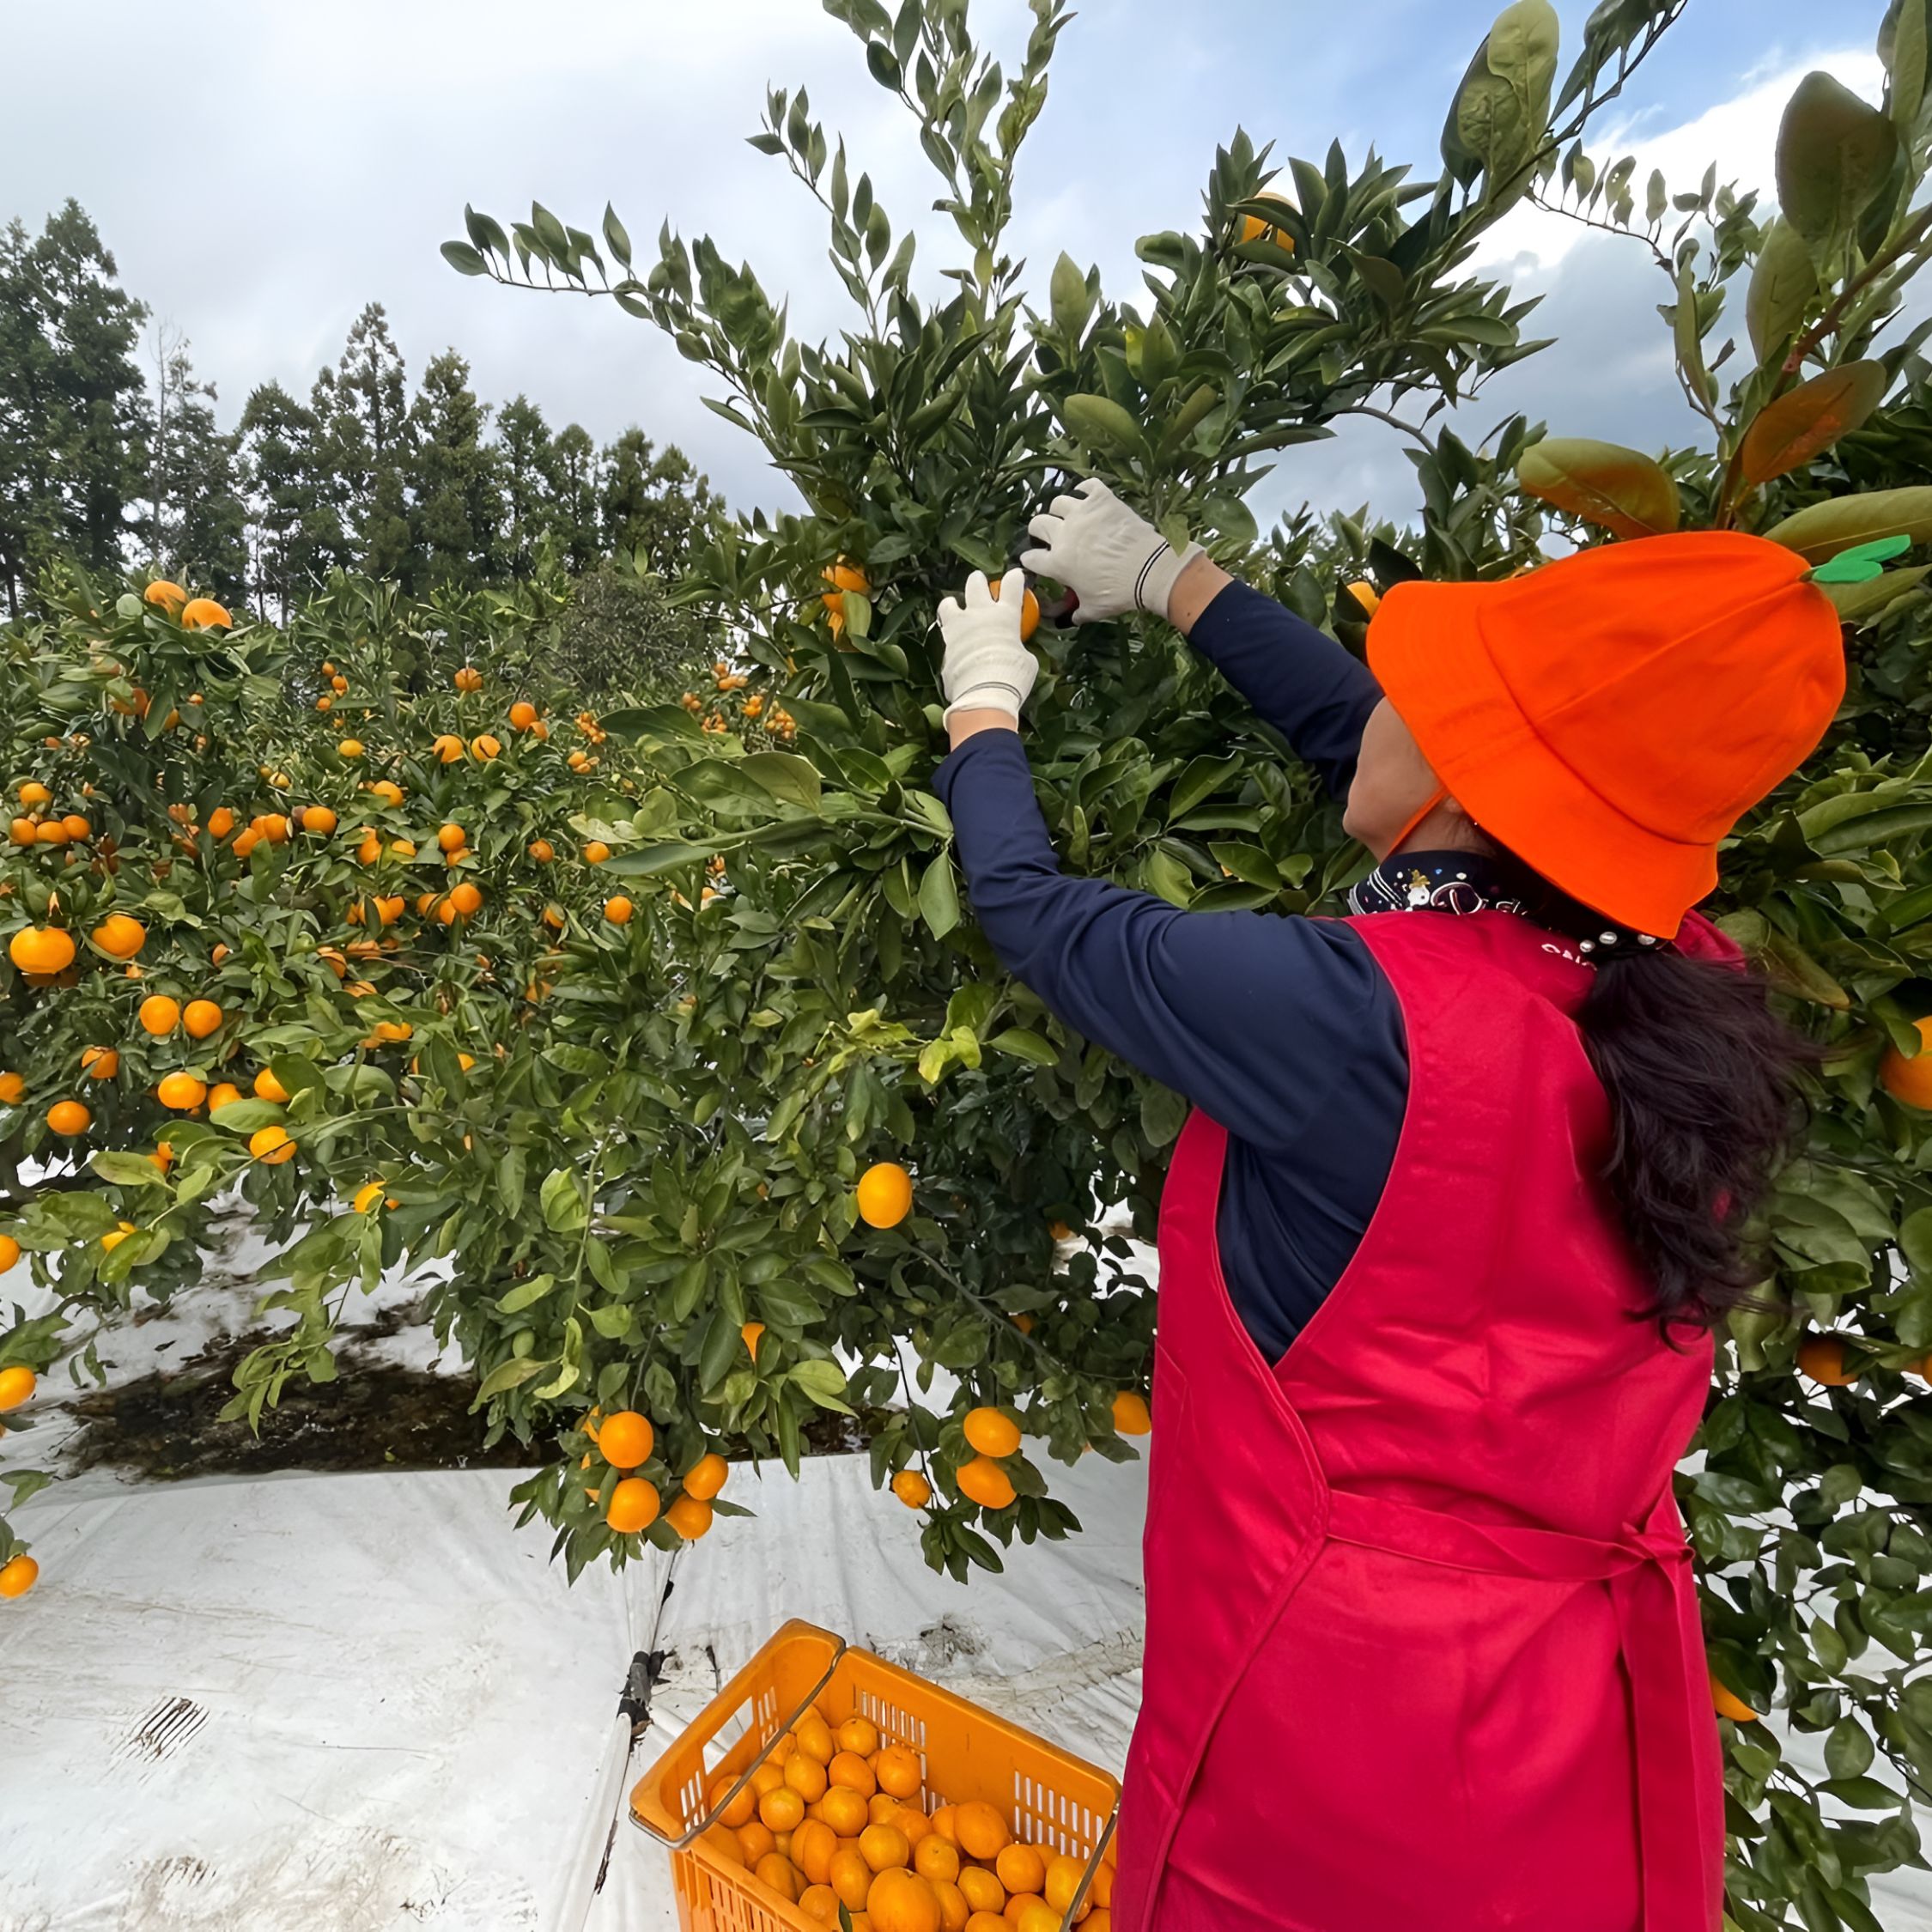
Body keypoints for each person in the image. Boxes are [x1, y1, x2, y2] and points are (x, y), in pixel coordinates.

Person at [930, 479, 1845, 1932]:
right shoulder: (1679, 989)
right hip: (1550, 1722)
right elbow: (1394, 767)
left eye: (1412, 698)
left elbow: (1038, 911)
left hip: (1332, 1735)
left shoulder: (1348, 1022)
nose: (1369, 712)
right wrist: (1172, 578)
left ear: (1469, 787)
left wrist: (983, 706)